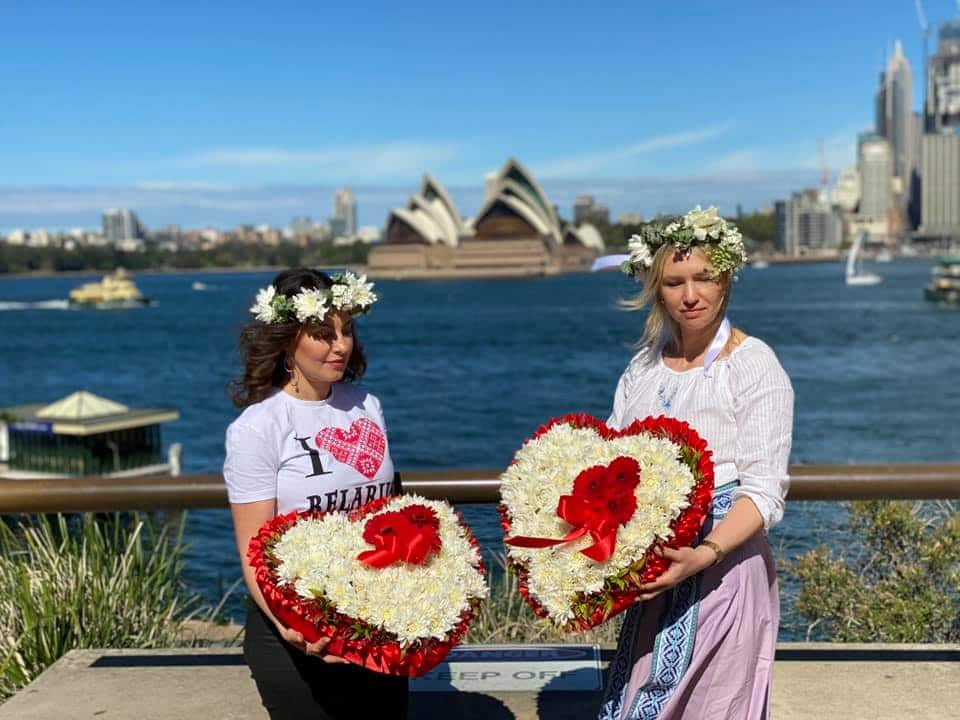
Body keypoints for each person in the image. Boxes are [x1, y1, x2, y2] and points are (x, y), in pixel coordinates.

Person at [597, 207, 794, 720]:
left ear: (726, 276)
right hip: (656, 576)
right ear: (655, 288)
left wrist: (704, 553)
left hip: (722, 570)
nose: (690, 296)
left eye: (703, 278)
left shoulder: (752, 365)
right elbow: (609, 468)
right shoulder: (642, 367)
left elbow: (763, 492)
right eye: (673, 282)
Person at [223, 267, 408, 720]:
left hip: (376, 626)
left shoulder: (367, 404)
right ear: (289, 341)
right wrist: (294, 627)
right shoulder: (259, 427)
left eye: (347, 331)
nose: (340, 345)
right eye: (323, 334)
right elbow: (254, 551)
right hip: (299, 638)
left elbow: (388, 510)